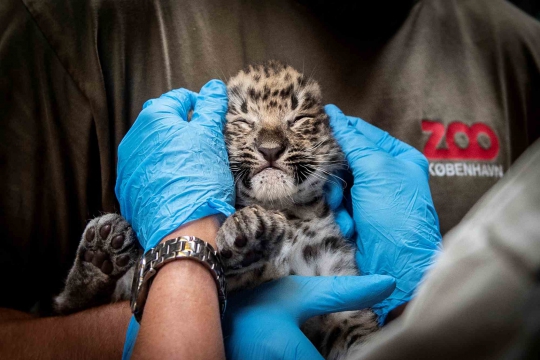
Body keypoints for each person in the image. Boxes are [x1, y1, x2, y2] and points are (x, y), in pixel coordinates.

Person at [0, 0, 539, 358]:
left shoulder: (519, 50)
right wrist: (146, 318)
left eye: (301, 121)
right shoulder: (80, 22)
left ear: (334, 142)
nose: (271, 143)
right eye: (244, 124)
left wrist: (414, 310)